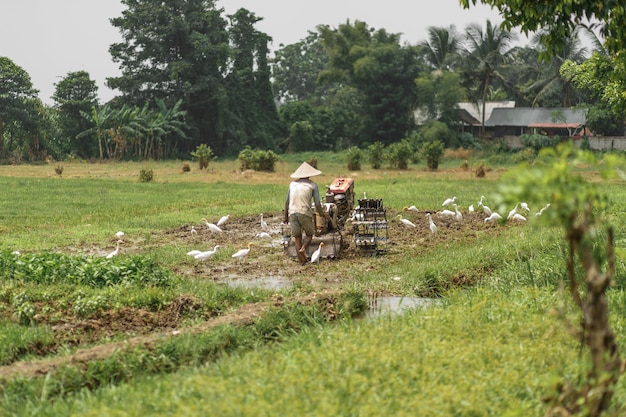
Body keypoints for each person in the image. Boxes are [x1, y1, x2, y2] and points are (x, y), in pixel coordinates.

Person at [284, 162, 329, 264]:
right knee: (309, 234)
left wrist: (285, 217)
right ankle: (304, 248)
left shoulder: (292, 184)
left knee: (297, 238)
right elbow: (317, 203)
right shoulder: (313, 185)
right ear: (310, 174)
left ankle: (302, 261)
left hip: (292, 213)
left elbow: (287, 202)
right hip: (304, 212)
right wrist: (322, 214)